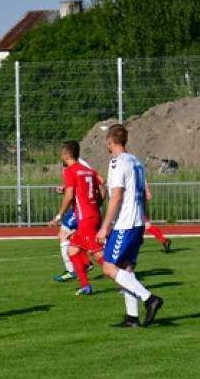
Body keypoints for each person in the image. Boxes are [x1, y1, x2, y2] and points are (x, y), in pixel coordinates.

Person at [95, 125, 164, 327]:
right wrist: (143, 219)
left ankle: (150, 299)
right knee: (126, 268)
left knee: (109, 268)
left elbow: (116, 196)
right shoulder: (136, 161)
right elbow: (142, 193)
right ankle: (132, 317)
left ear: (110, 141)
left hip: (125, 223)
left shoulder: (117, 163)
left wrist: (105, 226)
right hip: (137, 221)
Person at [49, 141, 103, 295]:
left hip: (85, 218)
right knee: (72, 250)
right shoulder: (89, 171)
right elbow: (102, 186)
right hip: (92, 214)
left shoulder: (70, 171)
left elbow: (69, 195)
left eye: (62, 154)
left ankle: (125, 281)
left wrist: (59, 216)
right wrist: (96, 204)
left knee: (98, 254)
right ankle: (85, 286)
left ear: (66, 156)